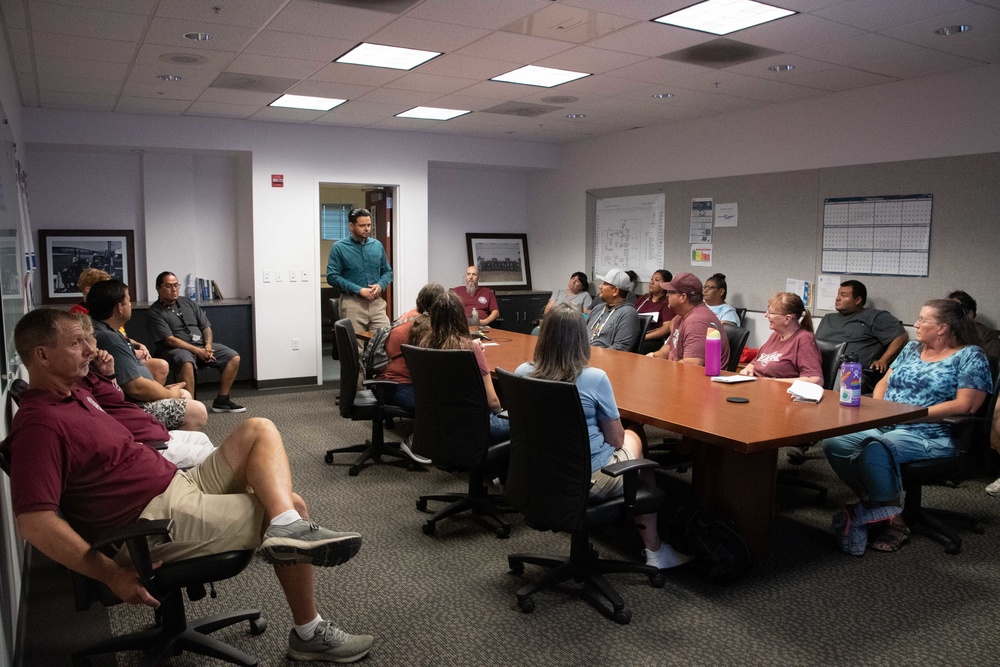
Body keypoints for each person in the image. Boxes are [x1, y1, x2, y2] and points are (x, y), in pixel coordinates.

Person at [10, 309, 375, 662]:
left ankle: (283, 526)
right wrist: (112, 574)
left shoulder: (76, 392)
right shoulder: (38, 425)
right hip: (152, 520)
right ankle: (310, 634)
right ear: (42, 355)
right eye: (77, 343)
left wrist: (102, 374)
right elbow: (35, 523)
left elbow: (115, 398)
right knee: (293, 503)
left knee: (258, 428)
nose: (90, 349)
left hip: (178, 483)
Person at [515, 303, 693, 570]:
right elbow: (616, 440)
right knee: (634, 438)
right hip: (587, 480)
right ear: (581, 338)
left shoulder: (522, 373)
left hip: (538, 474)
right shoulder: (593, 378)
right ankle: (654, 550)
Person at [822, 299, 991, 555]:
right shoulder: (912, 348)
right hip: (889, 425)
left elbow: (967, 405)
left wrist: (911, 415)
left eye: (923, 320)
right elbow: (884, 382)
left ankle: (894, 525)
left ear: (943, 328)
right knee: (835, 442)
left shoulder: (970, 356)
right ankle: (885, 508)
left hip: (933, 433)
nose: (916, 324)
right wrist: (880, 411)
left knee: (875, 449)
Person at [78, 313, 215, 468]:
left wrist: (109, 375)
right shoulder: (78, 384)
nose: (92, 346)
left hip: (147, 428)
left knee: (203, 441)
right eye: (77, 343)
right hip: (144, 442)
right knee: (219, 455)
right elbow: (134, 389)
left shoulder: (96, 370)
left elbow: (116, 398)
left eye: (90, 337)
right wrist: (168, 394)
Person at [87, 280, 208, 432]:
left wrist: (161, 391)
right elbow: (135, 387)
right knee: (198, 411)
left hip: (127, 399)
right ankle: (162, 445)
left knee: (184, 394)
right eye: (128, 301)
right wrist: (169, 394)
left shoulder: (103, 328)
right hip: (130, 408)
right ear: (119, 308)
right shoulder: (109, 339)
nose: (130, 305)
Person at [416, 291, 509, 443]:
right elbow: (493, 402)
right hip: (477, 424)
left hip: (440, 421)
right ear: (461, 317)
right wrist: (501, 414)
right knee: (527, 424)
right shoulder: (470, 349)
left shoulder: (424, 344)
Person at [147, 271, 245, 413]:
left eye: (176, 285)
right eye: (168, 286)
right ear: (158, 288)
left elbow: (206, 327)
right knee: (185, 359)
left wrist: (208, 347)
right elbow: (170, 340)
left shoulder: (187, 302)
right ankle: (190, 408)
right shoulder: (155, 312)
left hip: (200, 346)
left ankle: (222, 400)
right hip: (173, 350)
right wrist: (198, 351)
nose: (174, 289)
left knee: (233, 356)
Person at [380, 282, 445, 464]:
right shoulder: (423, 326)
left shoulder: (409, 315)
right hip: (398, 385)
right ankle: (414, 441)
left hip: (386, 382)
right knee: (441, 403)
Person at [71, 268, 168, 384]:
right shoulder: (81, 315)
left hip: (125, 354)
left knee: (161, 366)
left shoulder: (109, 321)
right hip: (114, 366)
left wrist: (137, 344)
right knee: (183, 395)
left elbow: (121, 336)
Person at [815, 280, 908, 393]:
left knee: (839, 386)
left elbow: (901, 336)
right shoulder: (828, 318)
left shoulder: (875, 317)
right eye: (838, 294)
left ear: (858, 300)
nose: (838, 298)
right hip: (822, 369)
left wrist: (884, 360)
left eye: (843, 295)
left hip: (854, 373)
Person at [326, 207, 393, 342]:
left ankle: (378, 364)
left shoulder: (377, 245)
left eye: (368, 225)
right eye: (362, 225)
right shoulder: (339, 247)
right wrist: (359, 290)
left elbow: (387, 272)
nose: (367, 229)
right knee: (356, 347)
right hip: (353, 303)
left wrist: (380, 285)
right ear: (351, 226)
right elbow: (332, 276)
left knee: (385, 341)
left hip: (376, 303)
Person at [649, 272, 730, 369]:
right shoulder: (681, 316)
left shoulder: (696, 322)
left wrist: (665, 369)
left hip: (700, 381)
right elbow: (670, 347)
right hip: (680, 373)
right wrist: (653, 356)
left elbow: (691, 366)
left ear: (683, 297)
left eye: (670, 292)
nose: (667, 295)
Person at [740, 292, 823, 384]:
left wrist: (773, 382)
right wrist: (748, 370)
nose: (766, 315)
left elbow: (815, 380)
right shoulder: (775, 335)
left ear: (787, 318)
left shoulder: (804, 339)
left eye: (771, 312)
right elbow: (755, 362)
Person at [585, 269, 640, 352]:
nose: (600, 286)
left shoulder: (628, 314)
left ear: (615, 291)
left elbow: (620, 348)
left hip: (600, 360)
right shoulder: (598, 308)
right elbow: (580, 333)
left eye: (604, 283)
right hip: (581, 355)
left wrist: (592, 355)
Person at [947, 290, 1000, 357]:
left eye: (954, 309)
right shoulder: (943, 331)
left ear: (969, 314)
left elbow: (992, 363)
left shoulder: (986, 334)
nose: (948, 313)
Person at [634, 269, 676, 354]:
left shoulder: (667, 302)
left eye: (656, 280)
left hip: (653, 339)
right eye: (651, 279)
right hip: (636, 334)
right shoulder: (644, 299)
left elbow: (666, 328)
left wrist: (644, 337)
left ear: (665, 284)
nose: (651, 282)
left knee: (640, 347)